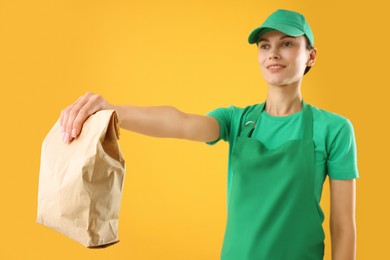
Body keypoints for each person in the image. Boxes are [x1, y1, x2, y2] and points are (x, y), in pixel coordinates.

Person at [59, 9, 358, 260]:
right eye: (265, 45)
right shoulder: (238, 121)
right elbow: (180, 122)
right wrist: (113, 111)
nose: (273, 54)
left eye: (287, 44)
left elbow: (343, 226)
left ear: (311, 55)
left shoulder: (333, 129)